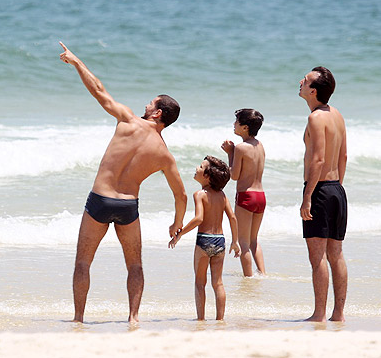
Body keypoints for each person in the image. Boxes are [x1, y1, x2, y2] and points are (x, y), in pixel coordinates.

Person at [59, 41, 188, 324]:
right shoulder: (165, 156)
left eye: (151, 103)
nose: (145, 103)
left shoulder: (128, 120)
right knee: (135, 265)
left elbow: (99, 91)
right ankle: (133, 318)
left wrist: (77, 62)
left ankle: (79, 319)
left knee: (83, 262)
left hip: (100, 201)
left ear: (158, 113)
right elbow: (181, 196)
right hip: (128, 206)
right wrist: (176, 224)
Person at [298, 66, 348, 322]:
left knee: (317, 256)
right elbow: (343, 156)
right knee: (336, 254)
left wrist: (308, 197)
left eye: (305, 81)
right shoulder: (337, 115)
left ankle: (318, 314)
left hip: (319, 190)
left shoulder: (315, 118)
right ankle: (337, 314)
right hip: (337, 189)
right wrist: (335, 186)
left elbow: (317, 160)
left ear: (313, 91)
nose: (300, 82)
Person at [168, 156, 239, 321]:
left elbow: (199, 219)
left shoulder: (199, 194)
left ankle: (201, 319)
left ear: (207, 176)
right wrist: (234, 242)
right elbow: (233, 218)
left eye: (200, 167)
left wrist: (180, 234)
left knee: (200, 283)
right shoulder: (222, 196)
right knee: (218, 283)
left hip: (204, 240)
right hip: (220, 240)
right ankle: (220, 319)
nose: (196, 168)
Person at [221, 108, 267, 277]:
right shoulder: (260, 145)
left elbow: (234, 175)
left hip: (246, 196)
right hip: (261, 196)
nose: (234, 125)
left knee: (243, 242)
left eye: (237, 122)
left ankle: (249, 278)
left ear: (245, 127)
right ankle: (262, 274)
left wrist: (230, 153)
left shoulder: (241, 147)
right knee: (254, 240)